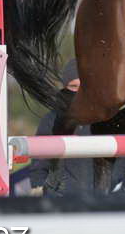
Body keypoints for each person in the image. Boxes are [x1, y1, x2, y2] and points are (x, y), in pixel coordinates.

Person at [28, 61, 92, 196]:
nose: (78, 91)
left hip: (99, 201)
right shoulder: (50, 120)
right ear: (65, 88)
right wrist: (43, 192)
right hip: (60, 200)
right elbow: (39, 166)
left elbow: (123, 158)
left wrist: (110, 184)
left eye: (83, 86)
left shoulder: (104, 119)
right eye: (73, 86)